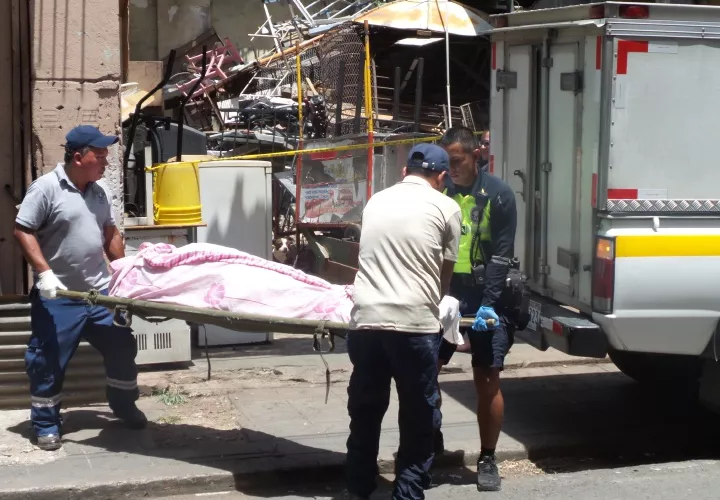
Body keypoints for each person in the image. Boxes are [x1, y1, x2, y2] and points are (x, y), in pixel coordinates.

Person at [14, 125, 147, 451]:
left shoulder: (99, 191)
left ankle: (123, 405)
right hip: (59, 297)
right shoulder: (46, 188)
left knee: (122, 348)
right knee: (48, 360)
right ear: (78, 157)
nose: (105, 162)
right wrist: (44, 273)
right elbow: (22, 230)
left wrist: (123, 274)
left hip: (99, 294)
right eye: (99, 155)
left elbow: (110, 233)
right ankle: (45, 423)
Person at [342, 143, 462, 500]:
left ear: (405, 172)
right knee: (418, 417)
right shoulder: (447, 206)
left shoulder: (376, 201)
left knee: (365, 412)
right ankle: (407, 493)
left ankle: (359, 488)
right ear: (441, 177)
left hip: (366, 322)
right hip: (413, 325)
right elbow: (444, 278)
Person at [436, 125, 518, 492]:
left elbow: (501, 255)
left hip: (487, 293)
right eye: (447, 162)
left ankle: (487, 457)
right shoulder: (440, 192)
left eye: (457, 161)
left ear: (475, 156)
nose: (451, 168)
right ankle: (430, 443)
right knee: (424, 369)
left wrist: (488, 306)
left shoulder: (498, 194)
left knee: (487, 379)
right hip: (448, 293)